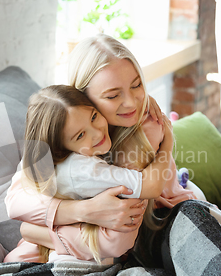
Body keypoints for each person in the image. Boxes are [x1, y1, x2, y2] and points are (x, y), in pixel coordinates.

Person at [4, 33, 204, 264]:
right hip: (70, 242)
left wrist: (35, 230)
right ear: (82, 97)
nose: (132, 103)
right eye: (112, 95)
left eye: (137, 85)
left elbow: (116, 238)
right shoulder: (65, 125)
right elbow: (16, 200)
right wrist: (84, 210)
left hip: (126, 241)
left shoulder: (144, 129)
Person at [10, 84, 170, 264]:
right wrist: (169, 142)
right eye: (80, 136)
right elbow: (13, 203)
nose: (96, 134)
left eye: (94, 117)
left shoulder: (81, 125)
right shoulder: (80, 167)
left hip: (73, 250)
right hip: (54, 260)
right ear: (60, 149)